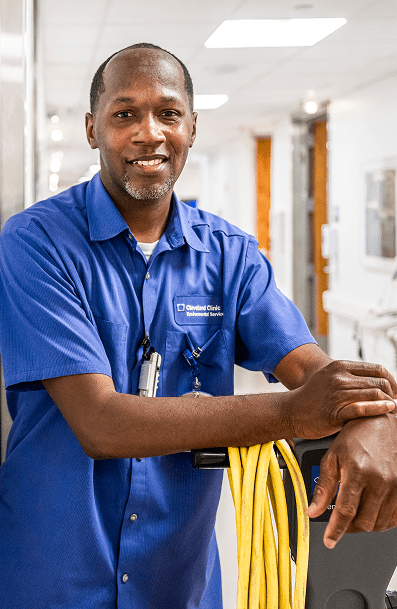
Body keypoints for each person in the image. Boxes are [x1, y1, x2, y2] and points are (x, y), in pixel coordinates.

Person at [0, 42, 397, 609]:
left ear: (190, 127)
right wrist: (290, 413)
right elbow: (101, 423)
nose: (148, 133)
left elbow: (313, 371)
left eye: (167, 113)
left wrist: (377, 419)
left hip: (176, 576)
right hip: (53, 571)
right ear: (92, 129)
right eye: (124, 114)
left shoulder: (229, 256)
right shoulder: (37, 244)